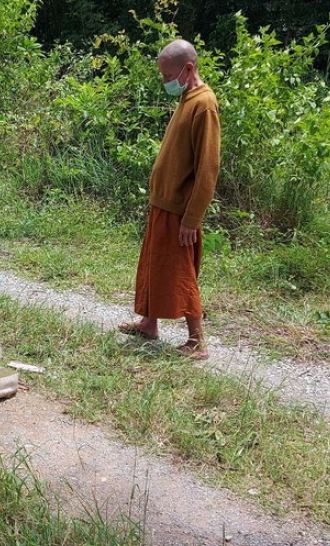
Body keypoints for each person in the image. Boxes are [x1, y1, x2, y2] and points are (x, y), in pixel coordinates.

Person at [118, 39, 221, 360]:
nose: (164, 82)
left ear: (188, 69)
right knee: (155, 265)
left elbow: (208, 168)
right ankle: (149, 323)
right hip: (163, 203)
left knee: (180, 273)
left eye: (167, 76)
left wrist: (192, 218)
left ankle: (197, 341)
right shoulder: (187, 98)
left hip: (179, 210)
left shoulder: (204, 104)